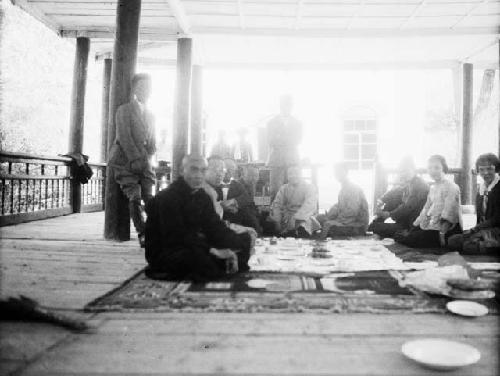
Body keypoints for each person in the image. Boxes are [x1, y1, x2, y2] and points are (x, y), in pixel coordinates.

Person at [144, 155, 253, 282]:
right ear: (181, 171)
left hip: (194, 244)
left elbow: (215, 227)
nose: (199, 175)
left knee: (244, 239)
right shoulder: (167, 198)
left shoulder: (202, 196)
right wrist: (213, 251)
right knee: (199, 259)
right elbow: (177, 237)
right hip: (169, 250)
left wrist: (234, 242)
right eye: (194, 169)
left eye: (203, 170)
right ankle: (218, 266)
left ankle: (221, 265)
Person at [107, 73, 156, 247]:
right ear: (135, 89)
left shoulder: (151, 115)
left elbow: (151, 143)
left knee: (150, 198)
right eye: (142, 87)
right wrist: (135, 159)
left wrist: (152, 149)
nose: (146, 91)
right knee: (134, 196)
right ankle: (142, 232)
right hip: (124, 161)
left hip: (144, 162)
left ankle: (155, 231)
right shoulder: (124, 110)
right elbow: (124, 137)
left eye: (148, 88)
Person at [395, 155, 461, 248]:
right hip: (432, 224)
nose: (432, 171)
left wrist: (442, 235)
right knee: (400, 235)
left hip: (445, 229)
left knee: (408, 239)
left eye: (436, 167)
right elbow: (426, 208)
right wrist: (415, 225)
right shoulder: (433, 187)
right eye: (430, 168)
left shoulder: (452, 187)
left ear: (444, 168)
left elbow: (449, 213)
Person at [448, 153, 500, 254]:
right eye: (481, 169)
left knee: (469, 246)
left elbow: (497, 218)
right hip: (483, 228)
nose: (485, 173)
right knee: (452, 240)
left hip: (496, 229)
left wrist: (475, 229)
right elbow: (479, 215)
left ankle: (491, 244)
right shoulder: (481, 189)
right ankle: (483, 241)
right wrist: (469, 227)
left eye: (489, 169)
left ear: (496, 169)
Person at [369, 157, 429, 239]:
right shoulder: (409, 183)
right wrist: (381, 200)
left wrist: (389, 214)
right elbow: (395, 191)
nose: (403, 174)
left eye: (406, 170)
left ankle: (400, 233)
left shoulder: (419, 185)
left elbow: (408, 206)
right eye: (401, 171)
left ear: (413, 170)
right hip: (406, 222)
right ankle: (384, 228)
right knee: (393, 198)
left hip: (414, 225)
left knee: (374, 227)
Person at [206, 156, 262, 234]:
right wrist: (222, 206)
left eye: (222, 170)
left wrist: (234, 202)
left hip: (235, 216)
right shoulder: (207, 188)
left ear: (235, 171)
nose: (220, 173)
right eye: (215, 170)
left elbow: (246, 197)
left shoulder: (237, 185)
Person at [316, 162, 369, 239]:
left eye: (340, 171)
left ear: (346, 172)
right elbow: (341, 205)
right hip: (348, 220)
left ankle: (322, 244)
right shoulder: (343, 189)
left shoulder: (353, 188)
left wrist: (335, 220)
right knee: (319, 219)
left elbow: (352, 211)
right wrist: (332, 212)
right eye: (336, 172)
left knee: (328, 226)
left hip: (358, 225)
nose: (337, 174)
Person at [266, 94, 302, 199]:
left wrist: (280, 138)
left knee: (293, 192)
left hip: (292, 162)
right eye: (284, 104)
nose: (287, 107)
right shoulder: (271, 123)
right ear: (280, 105)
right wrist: (288, 139)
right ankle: (275, 215)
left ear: (292, 106)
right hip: (277, 162)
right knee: (275, 191)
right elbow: (271, 141)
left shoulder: (297, 123)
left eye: (289, 104)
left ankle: (291, 214)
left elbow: (297, 140)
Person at [267, 165, 319, 238]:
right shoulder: (284, 188)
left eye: (296, 173)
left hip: (304, 217)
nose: (293, 176)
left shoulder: (310, 187)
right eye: (290, 173)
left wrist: (295, 218)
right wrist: (277, 220)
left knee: (302, 229)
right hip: (286, 217)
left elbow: (309, 205)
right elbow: (277, 204)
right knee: (271, 227)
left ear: (301, 174)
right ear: (287, 176)